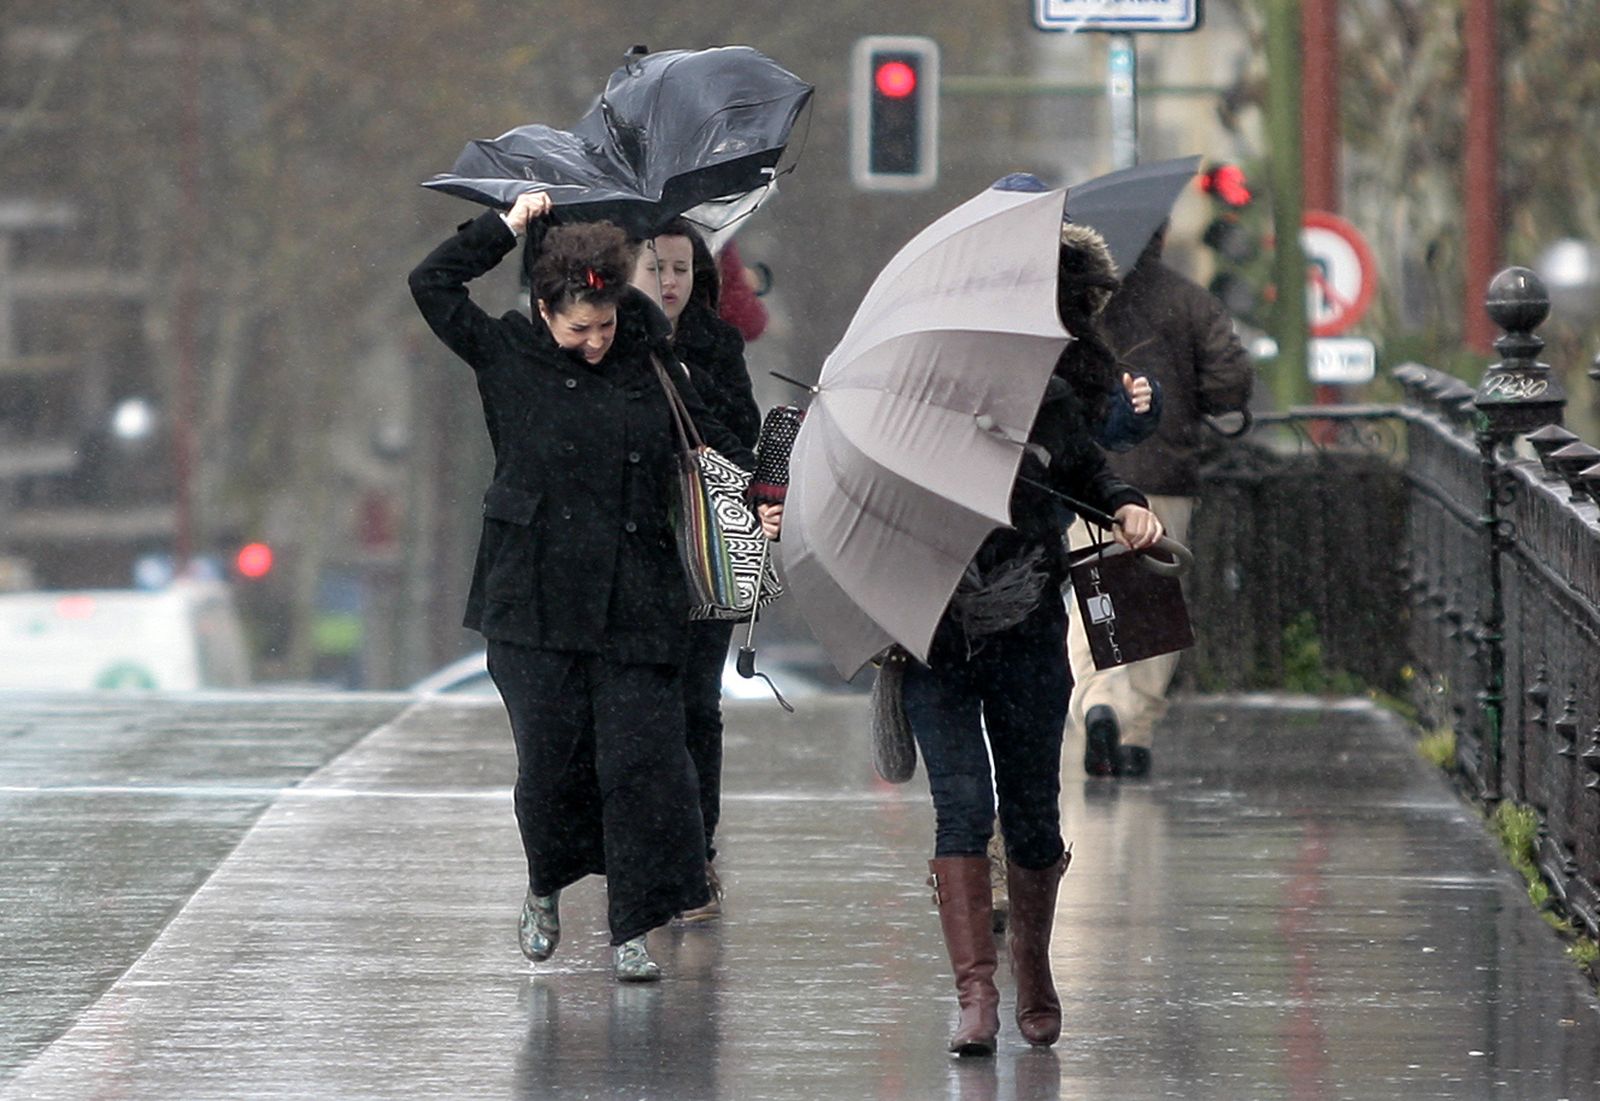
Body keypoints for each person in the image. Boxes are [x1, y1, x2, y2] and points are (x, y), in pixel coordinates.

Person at [772, 221, 1162, 1055]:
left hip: (1026, 626)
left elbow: (1090, 473)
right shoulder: (908, 395)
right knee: (962, 808)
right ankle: (976, 996)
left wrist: (1125, 502)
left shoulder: (1055, 391)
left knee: (1029, 812)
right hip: (930, 637)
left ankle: (1035, 970)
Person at [408, 190, 778, 982]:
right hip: (532, 602)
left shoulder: (652, 359)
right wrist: (504, 228)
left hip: (638, 601)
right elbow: (431, 284)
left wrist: (762, 498)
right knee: (551, 768)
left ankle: (633, 924)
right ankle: (545, 883)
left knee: (641, 766)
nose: (595, 342)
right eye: (579, 328)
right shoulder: (504, 354)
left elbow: (723, 441)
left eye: (606, 325)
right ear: (545, 310)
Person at [1067, 221, 1254, 780]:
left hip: (1088, 478)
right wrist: (1188, 394)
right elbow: (1230, 379)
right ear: (1163, 234)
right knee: (1154, 607)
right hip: (1164, 475)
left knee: (1093, 594)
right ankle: (1137, 730)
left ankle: (1099, 701)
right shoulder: (1187, 301)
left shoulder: (1077, 301)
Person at [631, 217, 760, 922]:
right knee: (638, 714)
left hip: (704, 552)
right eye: (655, 269)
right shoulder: (608, 342)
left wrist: (687, 388)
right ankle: (643, 849)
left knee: (694, 709)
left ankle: (694, 854)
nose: (670, 282)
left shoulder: (715, 343)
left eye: (680, 268)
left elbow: (742, 436)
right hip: (634, 552)